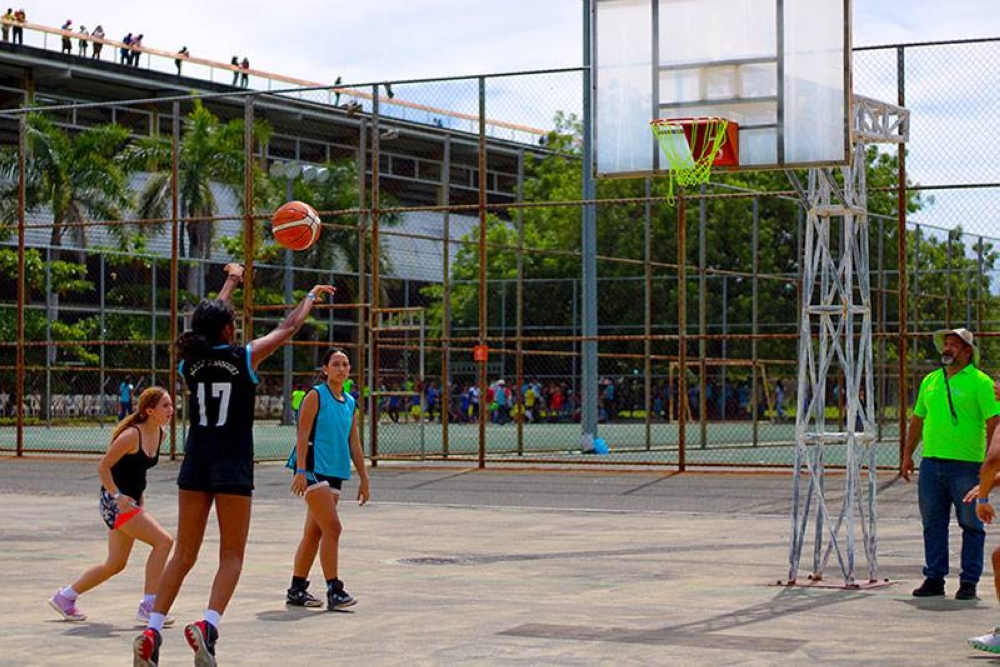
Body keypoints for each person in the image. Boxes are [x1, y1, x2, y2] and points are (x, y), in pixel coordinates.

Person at [132, 263, 336, 667]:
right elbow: (289, 327)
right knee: (231, 556)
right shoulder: (244, 356)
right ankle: (207, 626)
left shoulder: (189, 363)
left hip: (196, 462)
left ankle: (153, 631)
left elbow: (203, 323)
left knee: (183, 554)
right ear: (228, 330)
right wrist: (310, 297)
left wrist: (230, 283)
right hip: (232, 465)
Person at [48, 387, 175, 624]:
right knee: (164, 542)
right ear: (150, 410)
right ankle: (149, 605)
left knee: (115, 564)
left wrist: (139, 503)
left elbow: (137, 473)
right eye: (165, 406)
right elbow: (103, 467)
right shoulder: (131, 436)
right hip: (114, 502)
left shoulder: (160, 435)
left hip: (131, 503)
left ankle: (65, 597)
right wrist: (118, 496)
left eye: (171, 405)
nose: (172, 410)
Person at [900, 328, 999, 601]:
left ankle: (968, 582)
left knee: (971, 524)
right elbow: (918, 419)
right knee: (932, 522)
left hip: (967, 466)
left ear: (968, 352)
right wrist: (908, 453)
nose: (948, 349)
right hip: (931, 464)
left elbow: (994, 422)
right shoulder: (930, 381)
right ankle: (934, 577)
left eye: (954, 345)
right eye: (946, 344)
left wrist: (991, 463)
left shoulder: (981, 382)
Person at [285, 348, 370, 610]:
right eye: (336, 364)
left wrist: (364, 478)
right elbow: (302, 433)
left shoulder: (350, 402)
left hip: (335, 470)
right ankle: (335, 588)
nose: (341, 368)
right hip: (313, 468)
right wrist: (300, 470)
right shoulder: (315, 396)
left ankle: (297, 589)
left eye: (345, 364)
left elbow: (353, 442)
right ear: (325, 369)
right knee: (333, 528)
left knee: (314, 532)